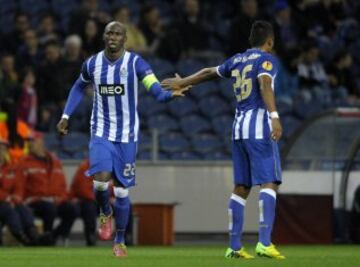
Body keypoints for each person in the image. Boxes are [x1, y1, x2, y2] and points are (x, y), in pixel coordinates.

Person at [56, 21, 188, 257]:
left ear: (125, 39)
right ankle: (105, 212)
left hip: (127, 136)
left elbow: (155, 89)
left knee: (122, 192)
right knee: (100, 180)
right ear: (104, 37)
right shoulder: (93, 63)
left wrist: (170, 95)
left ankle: (120, 240)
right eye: (109, 33)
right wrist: (66, 116)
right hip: (101, 132)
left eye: (117, 33)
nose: (113, 36)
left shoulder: (136, 63)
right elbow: (78, 87)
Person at [162, 20, 285, 259]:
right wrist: (275, 116)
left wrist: (183, 81)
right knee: (269, 181)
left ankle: (234, 247)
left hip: (238, 128)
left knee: (242, 187)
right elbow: (265, 84)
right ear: (270, 41)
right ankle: (264, 242)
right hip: (258, 127)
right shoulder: (266, 60)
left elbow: (209, 72)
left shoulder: (237, 59)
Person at [17, 131, 77, 245]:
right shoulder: (24, 162)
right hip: (34, 200)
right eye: (29, 142)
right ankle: (47, 237)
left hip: (54, 200)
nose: (30, 144)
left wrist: (61, 198)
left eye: (32, 141)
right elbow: (19, 185)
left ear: (41, 142)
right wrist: (20, 202)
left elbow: (62, 185)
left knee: (72, 210)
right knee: (49, 209)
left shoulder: (55, 161)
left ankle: (53, 236)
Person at [0, 137, 38, 246]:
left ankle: (32, 233)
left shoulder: (11, 168)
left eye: (3, 149)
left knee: (22, 207)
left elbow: (18, 186)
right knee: (9, 210)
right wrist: (7, 198)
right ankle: (21, 237)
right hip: (4, 202)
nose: (0, 151)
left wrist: (16, 197)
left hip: (9, 201)